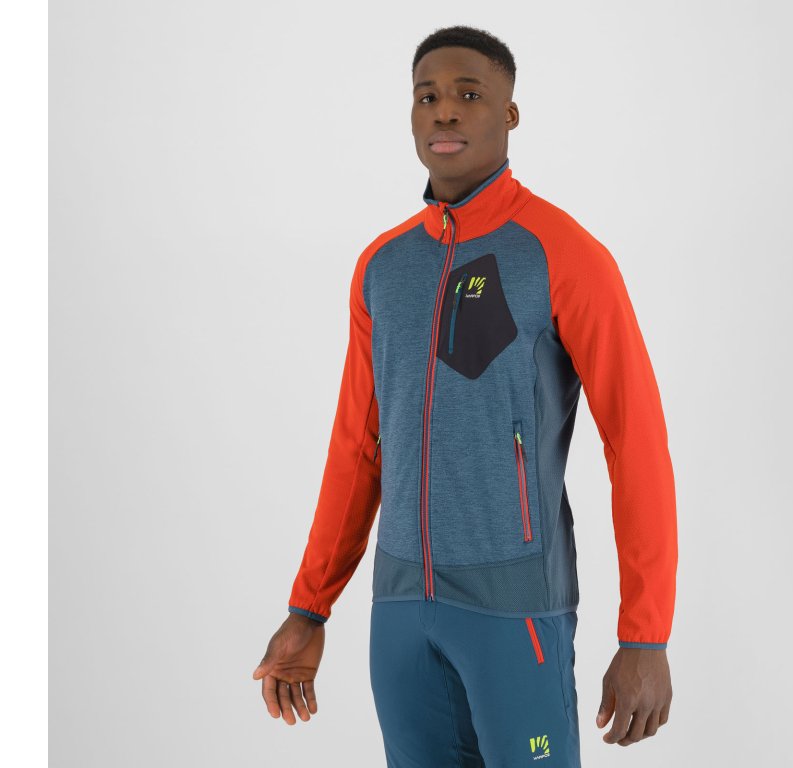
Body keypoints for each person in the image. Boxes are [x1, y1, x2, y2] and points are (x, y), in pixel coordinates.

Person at [252, 25, 678, 766]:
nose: (444, 111)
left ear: (510, 114)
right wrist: (309, 606)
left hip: (515, 613)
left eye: (468, 94)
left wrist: (645, 635)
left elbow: (635, 442)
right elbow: (358, 448)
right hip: (401, 618)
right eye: (427, 97)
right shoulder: (384, 267)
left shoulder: (562, 255)